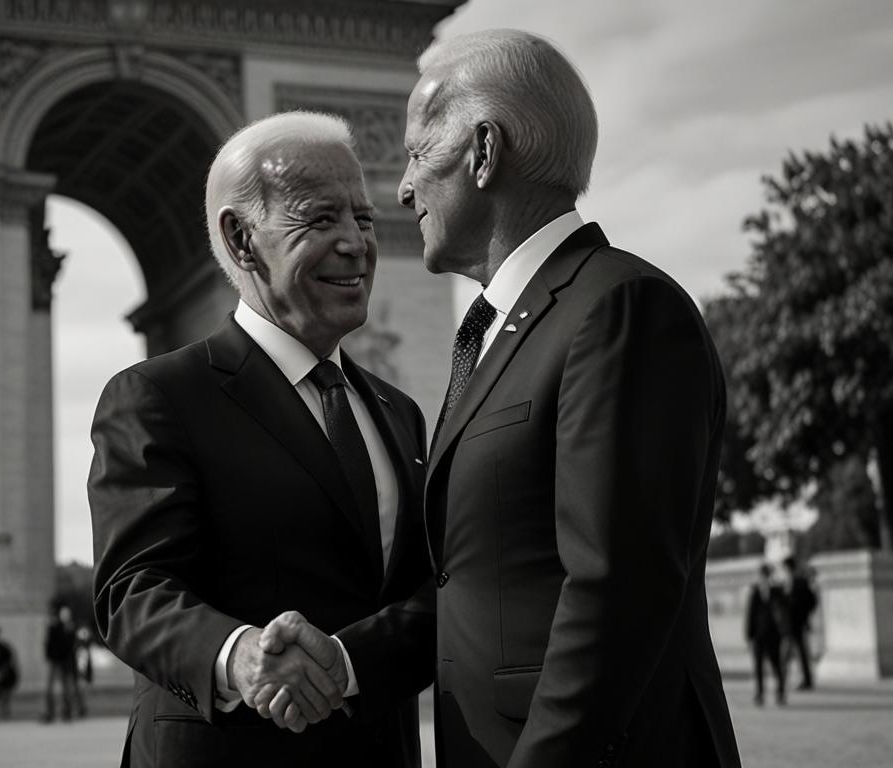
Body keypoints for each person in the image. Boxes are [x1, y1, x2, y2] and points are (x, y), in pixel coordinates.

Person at [361, 27, 736, 768]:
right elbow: (477, 580)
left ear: (483, 152)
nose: (401, 188)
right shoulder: (506, 329)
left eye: (414, 153)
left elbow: (615, 593)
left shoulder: (620, 309)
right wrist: (343, 662)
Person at [89, 111, 434, 767]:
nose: (357, 243)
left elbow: (429, 590)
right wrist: (239, 654)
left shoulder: (400, 413)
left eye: (362, 218)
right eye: (321, 218)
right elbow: (132, 590)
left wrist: (348, 662)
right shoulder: (158, 398)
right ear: (242, 239)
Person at [746, 563, 789, 706]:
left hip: (773, 635)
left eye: (766, 575)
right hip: (759, 635)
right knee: (758, 667)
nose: (764, 578)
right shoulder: (755, 591)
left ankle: (781, 692)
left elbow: (785, 607)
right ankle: (760, 694)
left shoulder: (777, 590)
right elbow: (750, 615)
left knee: (776, 665)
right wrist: (749, 635)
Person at [42, 601, 86, 722]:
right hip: (55, 660)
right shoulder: (54, 626)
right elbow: (49, 644)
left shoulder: (70, 627)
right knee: (51, 688)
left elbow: (69, 645)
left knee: (67, 687)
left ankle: (67, 712)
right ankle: (50, 713)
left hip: (66, 661)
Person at [781, 555, 818, 689]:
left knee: (798, 654)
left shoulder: (800, 582)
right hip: (788, 625)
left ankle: (802, 680)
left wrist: (803, 616)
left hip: (797, 624)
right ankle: (790, 681)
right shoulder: (785, 583)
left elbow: (811, 601)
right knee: (797, 653)